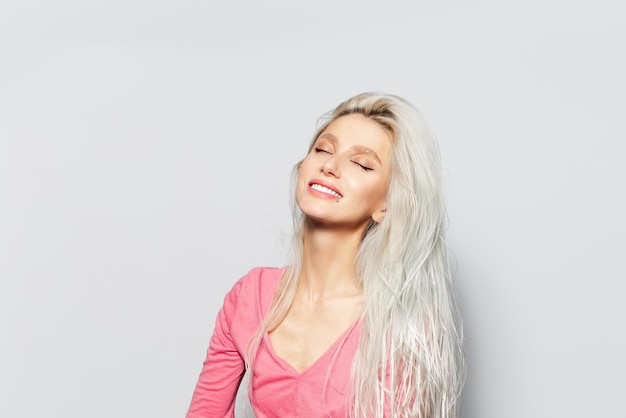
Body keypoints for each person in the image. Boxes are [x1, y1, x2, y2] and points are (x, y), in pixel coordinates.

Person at [186, 92, 465, 418]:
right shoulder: (251, 295)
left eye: (361, 163)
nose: (330, 166)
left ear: (386, 204)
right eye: (322, 149)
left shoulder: (400, 324)